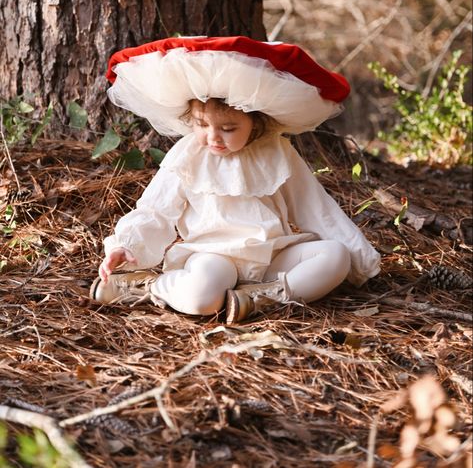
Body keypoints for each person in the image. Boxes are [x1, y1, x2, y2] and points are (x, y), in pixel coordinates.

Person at [90, 36, 380, 322]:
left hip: (271, 258)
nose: (213, 137)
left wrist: (361, 259)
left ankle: (260, 299)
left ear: (256, 122)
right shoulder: (188, 154)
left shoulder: (277, 152)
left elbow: (315, 208)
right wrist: (126, 246)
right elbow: (157, 210)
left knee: (335, 256)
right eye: (202, 124)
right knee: (203, 298)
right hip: (214, 257)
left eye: (229, 128)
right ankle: (146, 285)